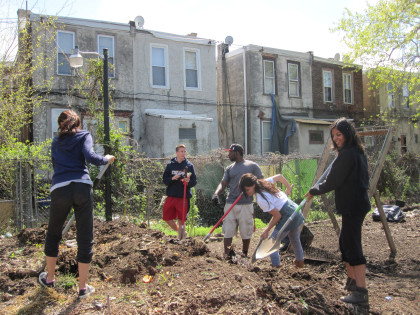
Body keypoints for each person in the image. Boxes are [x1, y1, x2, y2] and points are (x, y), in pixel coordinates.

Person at [39, 109, 115, 299]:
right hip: (81, 187)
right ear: (77, 123)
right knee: (85, 235)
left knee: (54, 233)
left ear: (60, 124)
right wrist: (105, 159)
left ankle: (49, 278)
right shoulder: (83, 135)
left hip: (60, 188)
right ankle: (82, 288)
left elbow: (55, 163)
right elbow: (90, 156)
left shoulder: (56, 141)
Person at [304, 117, 370, 306]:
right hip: (354, 205)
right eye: (334, 136)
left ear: (347, 134)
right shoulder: (355, 152)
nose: (336, 138)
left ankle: (361, 292)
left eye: (339, 134)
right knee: (345, 243)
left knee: (353, 247)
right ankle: (352, 283)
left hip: (354, 206)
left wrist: (313, 191)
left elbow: (333, 181)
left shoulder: (348, 154)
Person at [239, 173, 304, 268]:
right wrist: (288, 187)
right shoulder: (263, 182)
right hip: (296, 210)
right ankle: (300, 264)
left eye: (247, 190)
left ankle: (275, 268)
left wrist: (267, 230)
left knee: (271, 246)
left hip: (288, 215)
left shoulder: (260, 199)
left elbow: (277, 216)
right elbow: (280, 177)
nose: (247, 193)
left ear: (253, 185)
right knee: (295, 240)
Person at [212, 144, 263, 257]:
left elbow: (261, 181)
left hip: (246, 203)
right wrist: (216, 194)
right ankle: (227, 254)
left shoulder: (252, 166)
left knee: (246, 230)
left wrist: (254, 190)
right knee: (228, 230)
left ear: (237, 152)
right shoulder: (229, 168)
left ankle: (244, 254)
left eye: (230, 152)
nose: (228, 154)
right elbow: (223, 184)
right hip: (230, 203)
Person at [162, 144, 197, 239]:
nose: (183, 153)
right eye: (181, 151)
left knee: (181, 220)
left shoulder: (189, 166)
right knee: (167, 218)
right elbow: (165, 180)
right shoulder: (170, 165)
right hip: (171, 195)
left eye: (184, 151)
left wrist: (188, 182)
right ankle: (181, 232)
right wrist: (172, 178)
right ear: (177, 152)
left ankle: (181, 240)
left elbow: (194, 181)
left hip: (183, 196)